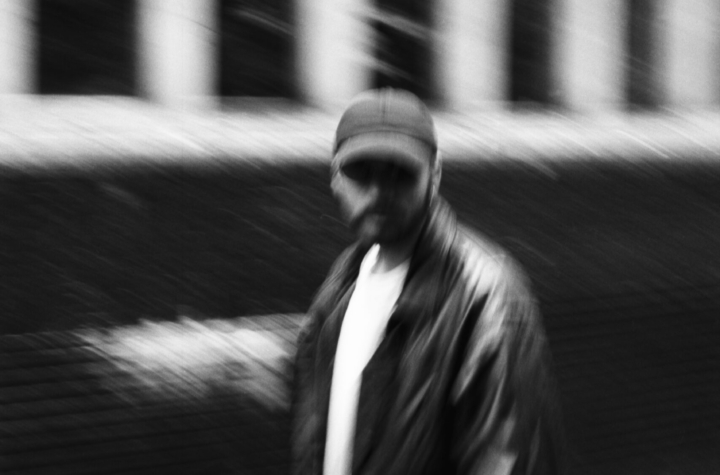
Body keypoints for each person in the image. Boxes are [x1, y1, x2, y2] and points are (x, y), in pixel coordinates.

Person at [292, 88, 565, 475]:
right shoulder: (340, 286)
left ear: (434, 175)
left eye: (400, 173)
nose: (378, 192)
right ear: (334, 176)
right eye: (361, 171)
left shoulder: (487, 297)